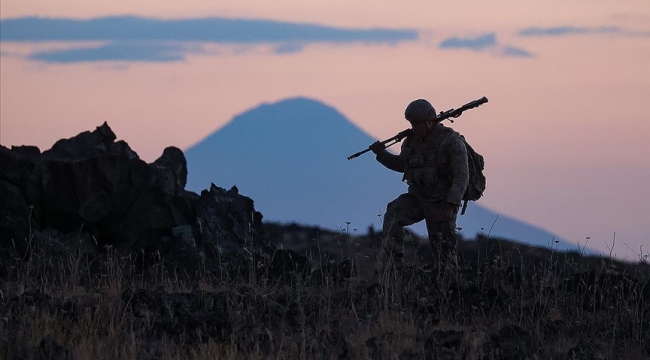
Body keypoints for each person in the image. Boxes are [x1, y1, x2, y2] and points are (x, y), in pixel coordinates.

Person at [370, 99, 469, 267]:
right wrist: (382, 154)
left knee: (442, 248)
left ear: (429, 121)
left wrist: (452, 203)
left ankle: (449, 284)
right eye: (411, 123)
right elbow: (403, 165)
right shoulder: (410, 141)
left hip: (442, 202)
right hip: (417, 197)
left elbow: (462, 175)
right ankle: (394, 268)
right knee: (393, 214)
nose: (414, 127)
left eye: (417, 123)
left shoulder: (451, 141)